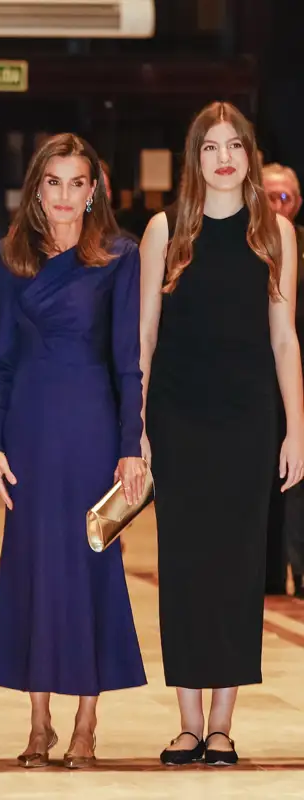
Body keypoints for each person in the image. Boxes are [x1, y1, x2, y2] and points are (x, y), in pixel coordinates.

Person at [141, 102, 304, 767]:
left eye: (234, 145)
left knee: (238, 571)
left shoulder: (276, 235)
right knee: (182, 565)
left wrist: (297, 429)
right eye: (210, 147)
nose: (224, 157)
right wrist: (136, 428)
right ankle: (186, 721)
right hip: (176, 420)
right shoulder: (164, 230)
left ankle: (223, 726)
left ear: (251, 154)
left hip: (246, 422)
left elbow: (285, 339)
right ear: (194, 159)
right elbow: (143, 339)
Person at [0, 133, 147, 770]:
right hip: (29, 432)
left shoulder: (118, 256)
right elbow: (0, 359)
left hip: (93, 430)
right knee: (33, 568)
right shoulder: (9, 255)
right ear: (36, 186)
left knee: (89, 565)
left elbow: (128, 362)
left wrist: (130, 447)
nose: (65, 196)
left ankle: (86, 723)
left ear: (95, 188)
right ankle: (38, 721)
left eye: (79, 183)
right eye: (54, 182)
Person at [262, 163, 304, 597]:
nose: (278, 205)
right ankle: (271, 575)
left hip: (297, 375)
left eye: (285, 198)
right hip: (263, 383)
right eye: (270, 196)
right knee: (270, 485)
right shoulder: (249, 244)